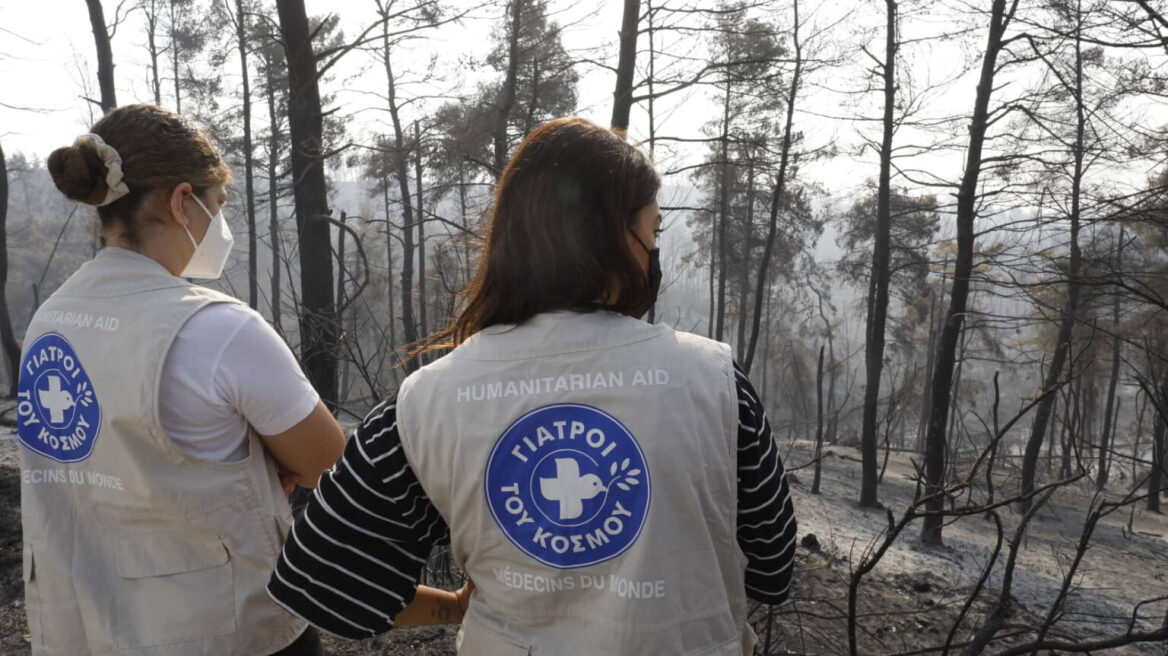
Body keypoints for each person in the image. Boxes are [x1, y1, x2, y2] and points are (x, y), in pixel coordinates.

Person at [268, 117, 797, 655]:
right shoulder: (713, 380)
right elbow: (773, 569)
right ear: (615, 235)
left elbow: (326, 582)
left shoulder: (425, 403)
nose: (653, 251)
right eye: (653, 231)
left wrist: (456, 607)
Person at [20, 104, 347, 656]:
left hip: (82, 625)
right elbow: (332, 467)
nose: (221, 225)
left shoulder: (50, 321)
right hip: (222, 628)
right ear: (181, 201)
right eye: (216, 205)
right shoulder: (217, 329)